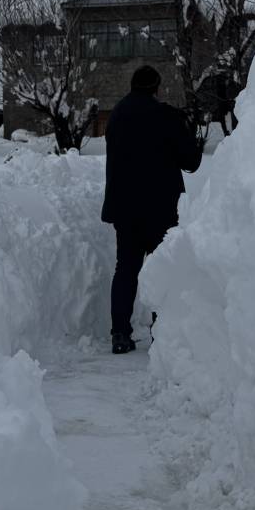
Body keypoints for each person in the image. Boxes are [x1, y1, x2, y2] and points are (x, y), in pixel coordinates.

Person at [101, 65, 203, 354]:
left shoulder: (117, 116)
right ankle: (162, 334)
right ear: (156, 87)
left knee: (126, 269)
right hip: (161, 209)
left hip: (125, 209)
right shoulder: (166, 116)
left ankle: (120, 334)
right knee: (162, 270)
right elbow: (192, 162)